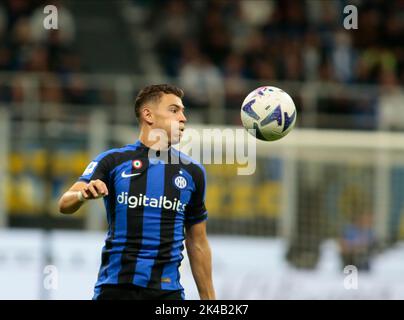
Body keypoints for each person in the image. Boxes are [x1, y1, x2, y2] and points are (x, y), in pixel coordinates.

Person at [58, 84, 215, 300]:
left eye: (183, 111)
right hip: (115, 289)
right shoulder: (112, 161)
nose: (183, 118)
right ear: (148, 115)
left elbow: (197, 241)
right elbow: (64, 204)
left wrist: (210, 301)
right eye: (174, 110)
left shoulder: (193, 171)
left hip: (166, 291)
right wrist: (82, 195)